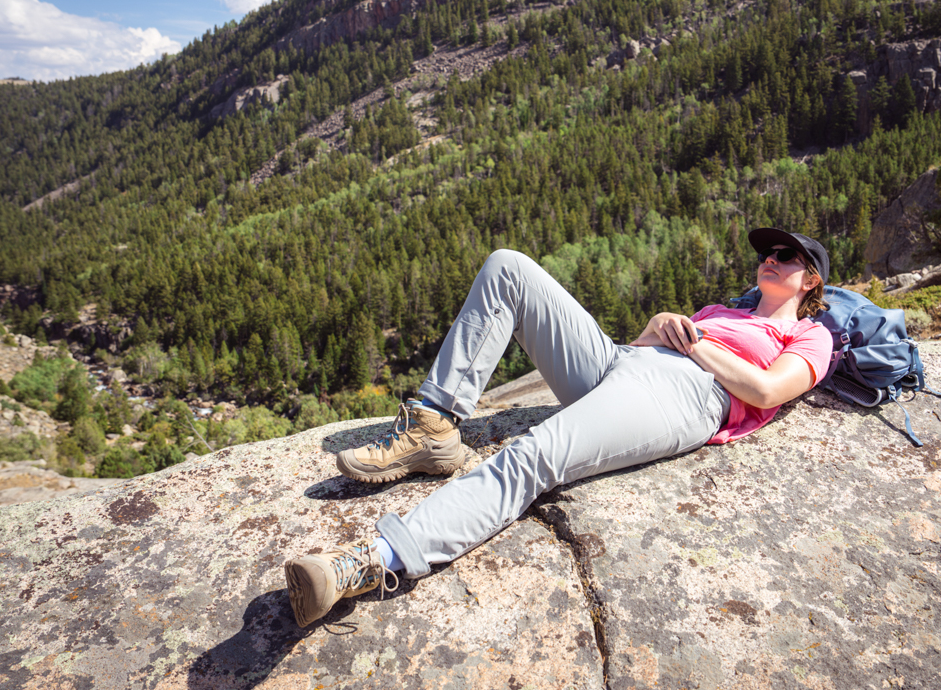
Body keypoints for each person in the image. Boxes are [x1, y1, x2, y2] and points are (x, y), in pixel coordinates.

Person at [283, 227, 834, 628]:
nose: (772, 258)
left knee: (532, 455)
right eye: (768, 252)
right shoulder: (722, 310)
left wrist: (702, 347)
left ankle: (368, 563)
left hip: (684, 396)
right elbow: (643, 350)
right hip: (625, 364)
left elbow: (766, 392)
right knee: (508, 267)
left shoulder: (812, 336)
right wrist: (654, 328)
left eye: (787, 257)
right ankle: (435, 421)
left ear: (810, 280)